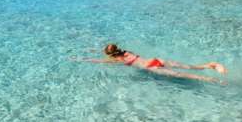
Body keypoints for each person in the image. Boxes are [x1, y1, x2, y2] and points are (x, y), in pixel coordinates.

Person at [86, 43, 227, 83]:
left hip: (151, 67)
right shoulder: (126, 52)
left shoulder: (118, 59)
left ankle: (213, 80)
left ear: (110, 54)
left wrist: (85, 60)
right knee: (190, 67)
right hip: (156, 59)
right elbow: (112, 52)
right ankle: (209, 65)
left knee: (184, 75)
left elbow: (100, 60)